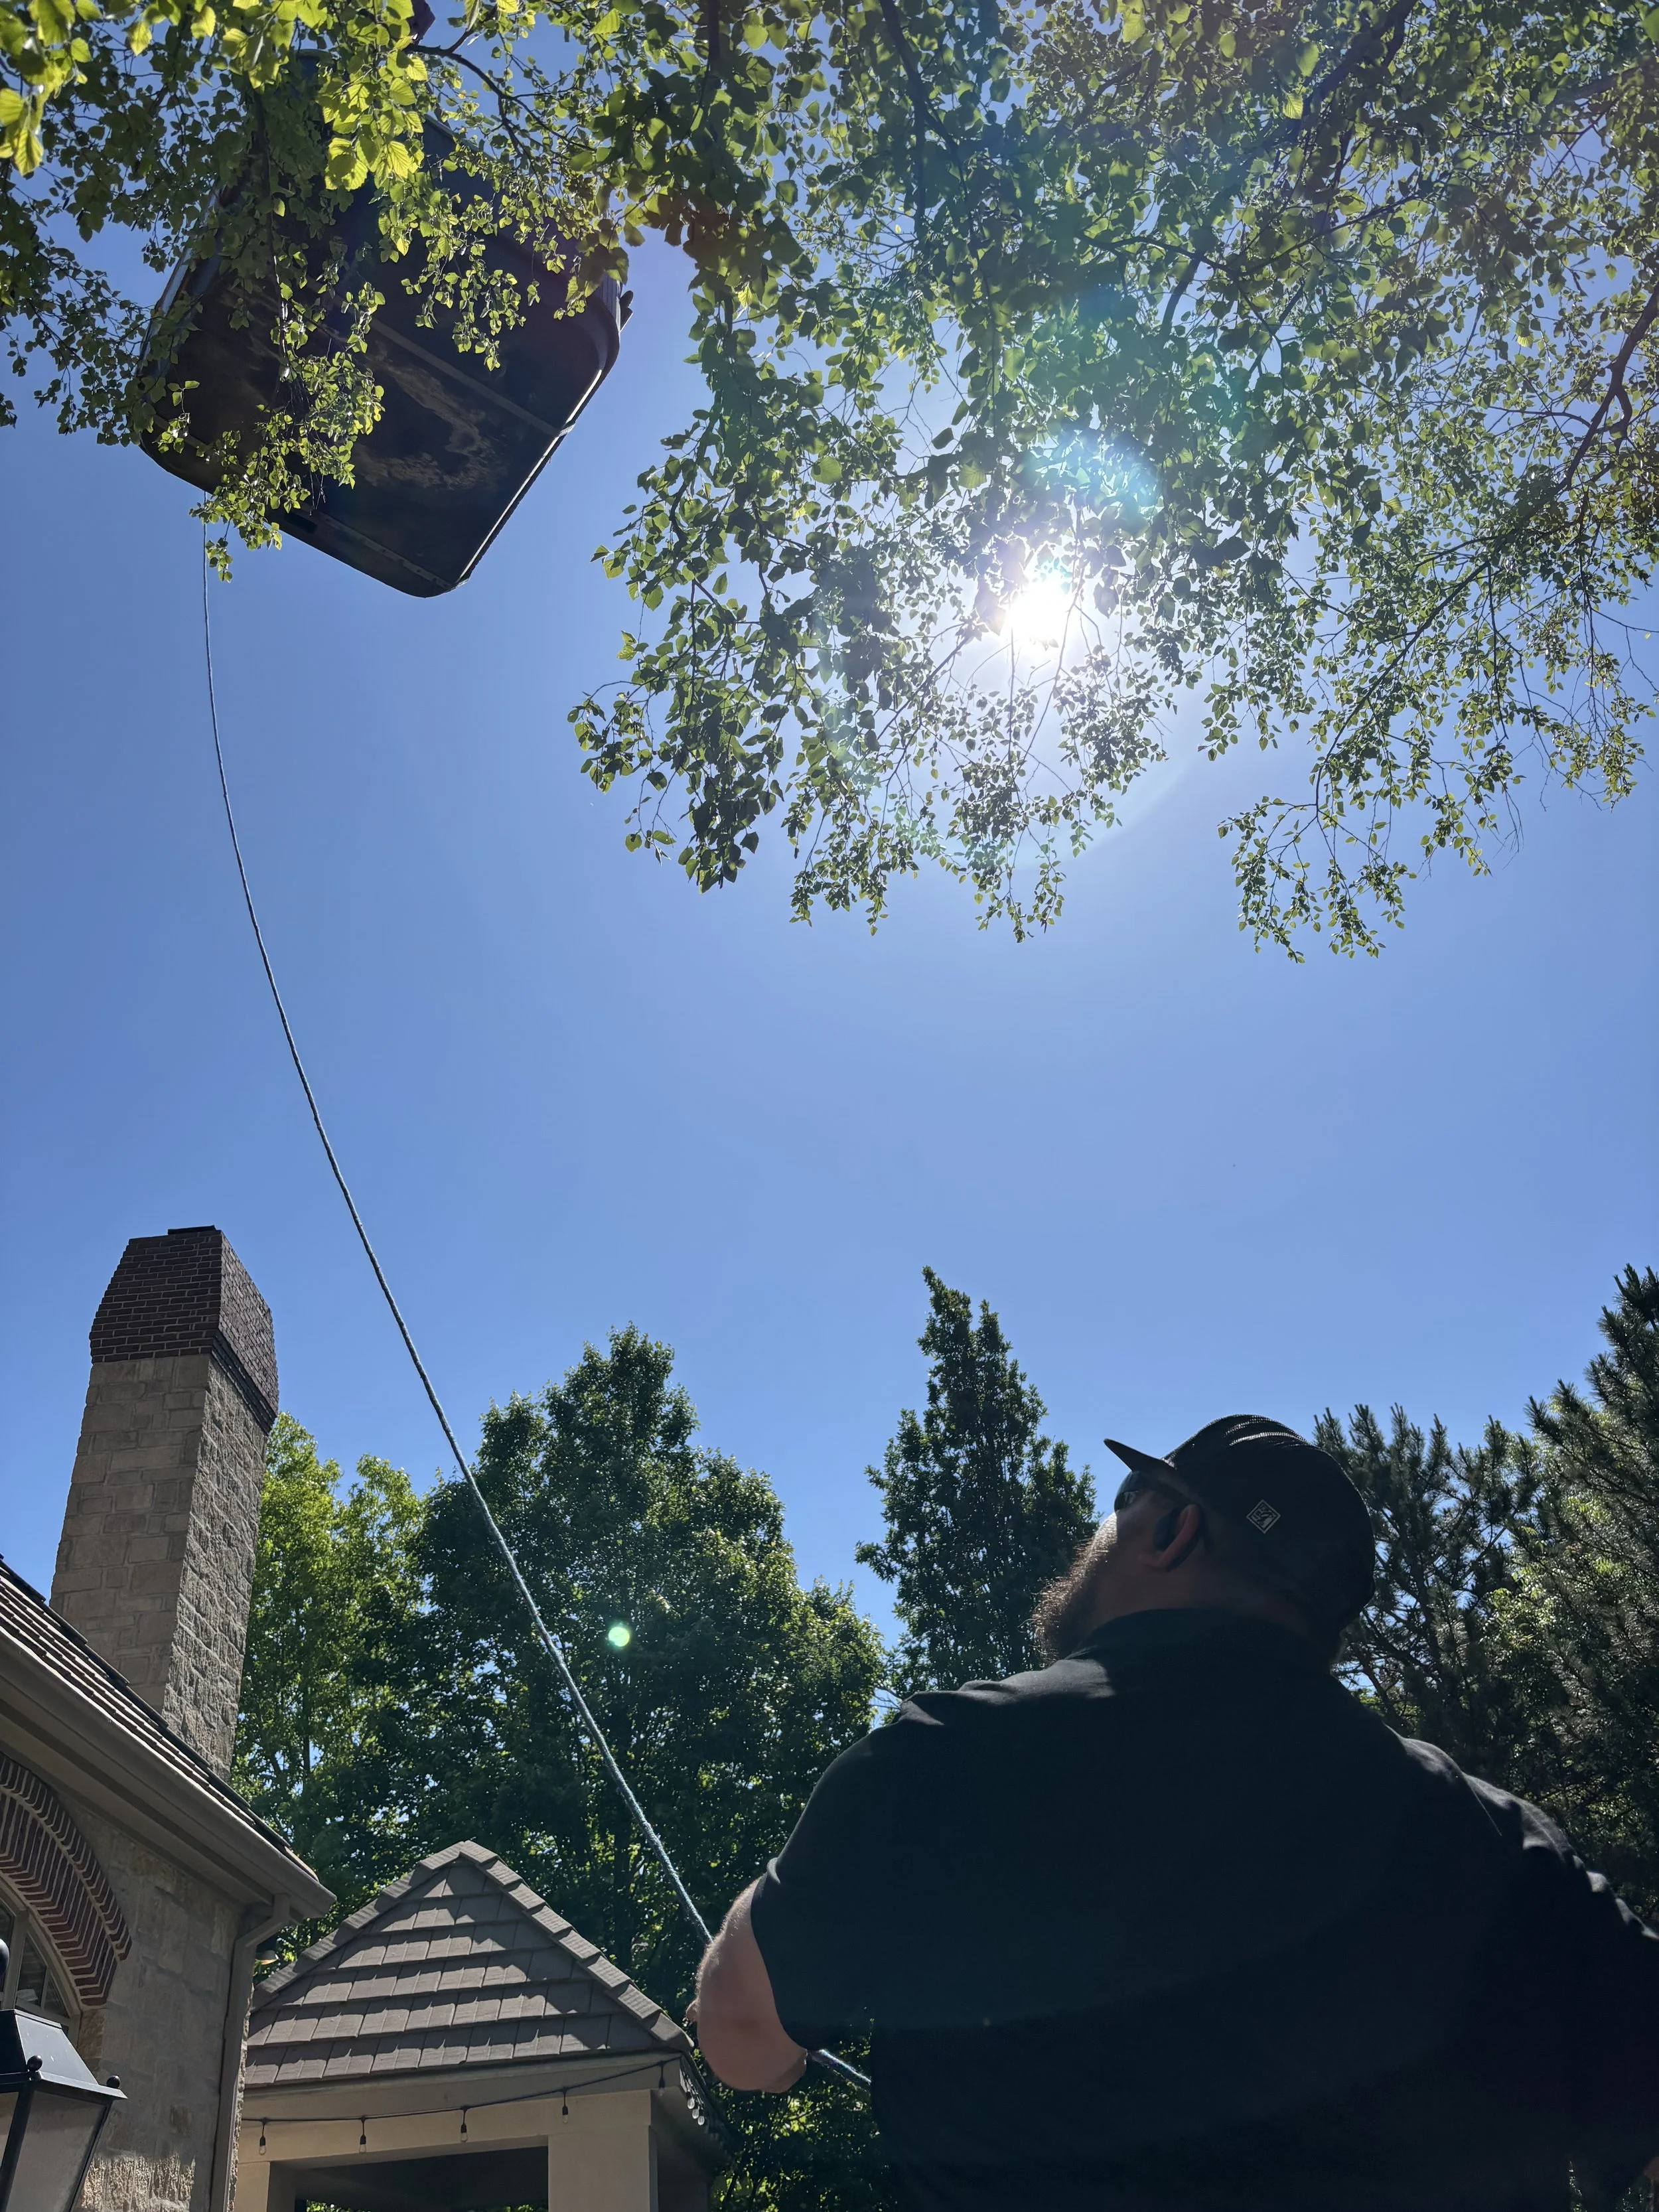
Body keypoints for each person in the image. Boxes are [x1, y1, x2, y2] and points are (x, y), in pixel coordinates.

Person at [691, 1414, 1659, 2212]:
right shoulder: (1496, 1839)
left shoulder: (953, 1753)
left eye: (1124, 1503)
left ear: (1172, 1532)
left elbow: (742, 2039)